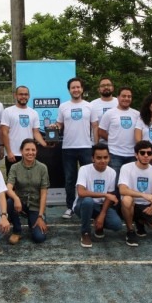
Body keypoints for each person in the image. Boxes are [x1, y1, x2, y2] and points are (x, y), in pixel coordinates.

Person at [119, 140, 152, 247]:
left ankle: (140, 221)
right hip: (131, 204)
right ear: (136, 155)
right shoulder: (126, 168)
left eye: (149, 153)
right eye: (142, 153)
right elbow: (122, 190)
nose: (146, 155)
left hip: (145, 206)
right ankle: (130, 231)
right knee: (127, 199)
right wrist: (143, 195)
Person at [55, 77, 93, 219]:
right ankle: (70, 207)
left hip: (86, 147)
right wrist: (54, 127)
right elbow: (59, 125)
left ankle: (87, 206)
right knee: (70, 179)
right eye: (73, 87)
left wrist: (94, 145)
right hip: (68, 148)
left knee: (88, 179)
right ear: (69, 90)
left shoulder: (89, 106)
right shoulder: (63, 106)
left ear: (82, 89)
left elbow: (94, 126)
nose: (76, 90)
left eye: (78, 87)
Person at [74, 143, 124, 248]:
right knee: (88, 201)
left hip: (101, 206)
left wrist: (102, 215)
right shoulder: (84, 169)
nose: (102, 160)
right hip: (82, 205)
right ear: (93, 158)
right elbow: (81, 192)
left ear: (109, 158)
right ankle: (85, 233)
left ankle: (98, 226)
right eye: (99, 158)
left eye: (105, 157)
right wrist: (105, 195)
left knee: (117, 225)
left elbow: (109, 197)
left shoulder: (112, 172)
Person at [5, 138, 50, 244]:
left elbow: (43, 194)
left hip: (36, 205)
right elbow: (8, 188)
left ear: (36, 151)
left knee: (40, 238)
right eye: (27, 150)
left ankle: (34, 221)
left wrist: (40, 215)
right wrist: (16, 198)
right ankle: (17, 230)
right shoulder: (14, 167)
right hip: (20, 203)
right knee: (10, 202)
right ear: (21, 151)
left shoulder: (42, 168)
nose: (30, 153)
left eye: (33, 150)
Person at [0, 85, 48, 175]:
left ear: (29, 96)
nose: (23, 97)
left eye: (26, 94)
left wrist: (45, 144)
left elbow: (36, 133)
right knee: (13, 183)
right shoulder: (8, 111)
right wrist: (9, 152)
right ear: (15, 95)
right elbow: (4, 132)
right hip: (13, 154)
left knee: (29, 182)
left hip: (28, 154)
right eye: (21, 94)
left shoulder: (33, 113)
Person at [99, 86, 140, 177]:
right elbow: (101, 131)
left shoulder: (137, 114)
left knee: (130, 183)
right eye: (123, 96)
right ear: (118, 97)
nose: (126, 98)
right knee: (115, 183)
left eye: (129, 96)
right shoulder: (109, 113)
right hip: (115, 154)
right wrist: (114, 139)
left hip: (132, 154)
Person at [90, 77, 118, 144]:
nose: (106, 87)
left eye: (108, 85)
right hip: (98, 145)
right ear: (98, 89)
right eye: (103, 86)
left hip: (117, 145)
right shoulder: (92, 104)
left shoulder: (119, 102)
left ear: (113, 88)